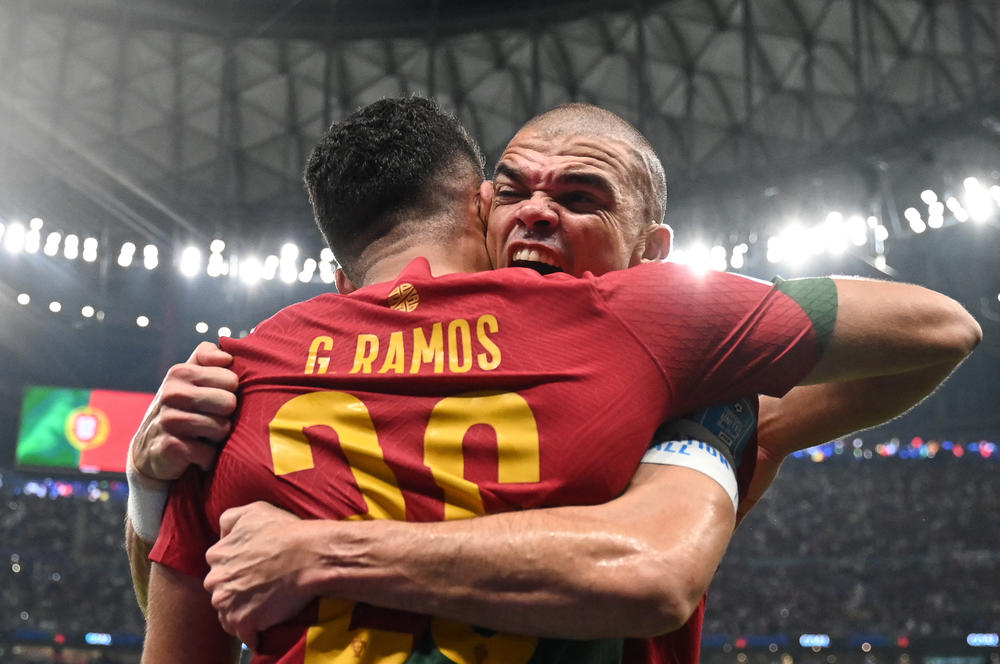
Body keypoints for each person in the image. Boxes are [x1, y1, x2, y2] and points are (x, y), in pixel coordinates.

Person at [133, 98, 981, 664]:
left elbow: (198, 609)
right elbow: (940, 328)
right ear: (478, 208)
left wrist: (758, 422)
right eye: (515, 189)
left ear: (653, 254)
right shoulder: (644, 341)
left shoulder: (244, 371)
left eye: (581, 196)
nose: (538, 211)